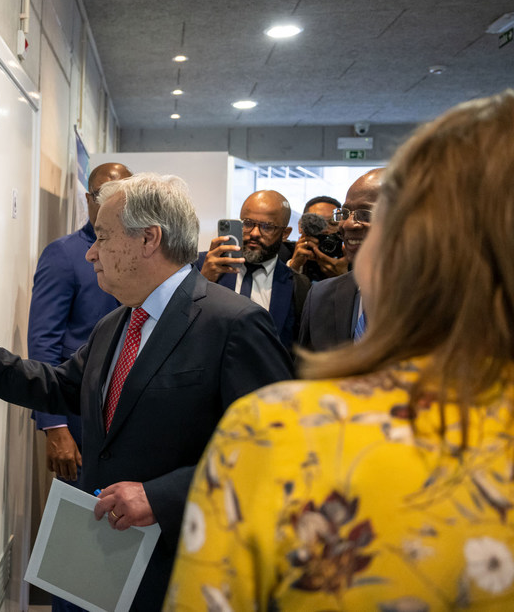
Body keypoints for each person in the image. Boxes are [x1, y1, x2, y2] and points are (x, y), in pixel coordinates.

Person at [165, 90, 514, 611]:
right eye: (347, 215)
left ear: (404, 246)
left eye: (375, 218)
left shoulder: (271, 435)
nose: (350, 229)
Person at [0, 173, 293, 610]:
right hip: (99, 554)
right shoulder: (118, 322)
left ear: (149, 239)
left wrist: (160, 496)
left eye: (103, 237)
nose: (91, 252)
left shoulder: (233, 324)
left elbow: (274, 451)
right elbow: (66, 388)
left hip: (177, 566)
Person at [29, 162, 131, 612]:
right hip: (77, 424)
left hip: (126, 427)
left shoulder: (138, 253)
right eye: (104, 192)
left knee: (120, 547)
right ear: (88, 199)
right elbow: (43, 344)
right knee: (77, 555)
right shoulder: (65, 255)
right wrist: (54, 427)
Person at [197, 190, 311, 352]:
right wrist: (203, 281)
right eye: (248, 223)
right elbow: (174, 324)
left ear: (285, 234)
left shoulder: (297, 285)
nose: (255, 234)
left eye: (267, 227)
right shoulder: (202, 266)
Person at [296, 169, 383, 351]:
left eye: (365, 214)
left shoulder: (441, 298)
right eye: (344, 213)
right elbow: (307, 374)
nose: (347, 224)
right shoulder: (321, 296)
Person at [287, 195, 349, 281]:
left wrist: (344, 277)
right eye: (316, 224)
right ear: (301, 227)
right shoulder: (283, 254)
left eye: (333, 223)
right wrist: (294, 267)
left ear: (342, 228)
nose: (325, 230)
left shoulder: (352, 259)